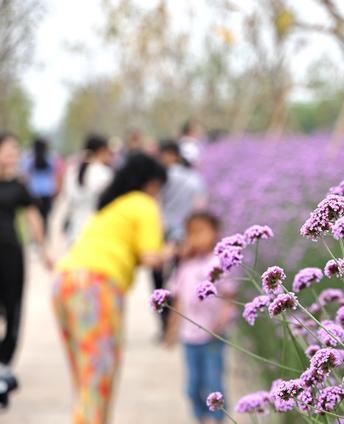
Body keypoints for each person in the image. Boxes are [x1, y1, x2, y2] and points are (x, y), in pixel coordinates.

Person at [53, 153, 173, 424]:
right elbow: (150, 257)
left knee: (86, 379)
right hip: (95, 286)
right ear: (151, 183)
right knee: (99, 378)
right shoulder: (143, 203)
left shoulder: (113, 205)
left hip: (65, 281)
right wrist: (178, 250)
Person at [164, 212, 236, 424]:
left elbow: (230, 297)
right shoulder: (185, 266)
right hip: (189, 338)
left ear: (216, 234)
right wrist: (170, 330)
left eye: (201, 231)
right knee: (192, 386)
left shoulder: (219, 263)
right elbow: (177, 302)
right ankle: (200, 418)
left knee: (214, 383)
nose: (196, 238)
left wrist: (221, 322)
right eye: (191, 233)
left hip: (213, 336)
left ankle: (218, 419)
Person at [0, 133, 52, 386]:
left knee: (13, 310)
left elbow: (33, 217)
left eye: (15, 150)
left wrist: (44, 250)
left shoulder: (19, 185)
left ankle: (4, 363)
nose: (14, 155)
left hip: (10, 255)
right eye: (9, 150)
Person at [152, 141, 208, 337]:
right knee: (182, 278)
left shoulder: (161, 178)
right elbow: (200, 207)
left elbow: (154, 204)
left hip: (163, 234)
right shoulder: (195, 179)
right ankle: (180, 324)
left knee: (159, 279)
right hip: (186, 236)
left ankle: (164, 322)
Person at [58, 134, 114, 242]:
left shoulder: (72, 172)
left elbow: (67, 198)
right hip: (97, 233)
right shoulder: (104, 173)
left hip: (75, 232)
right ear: (101, 150)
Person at [21, 136, 63, 235]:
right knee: (45, 216)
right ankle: (44, 236)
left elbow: (25, 176)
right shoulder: (51, 158)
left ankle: (35, 236)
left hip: (33, 191)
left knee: (34, 216)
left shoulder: (29, 159)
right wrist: (57, 189)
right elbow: (57, 175)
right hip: (47, 191)